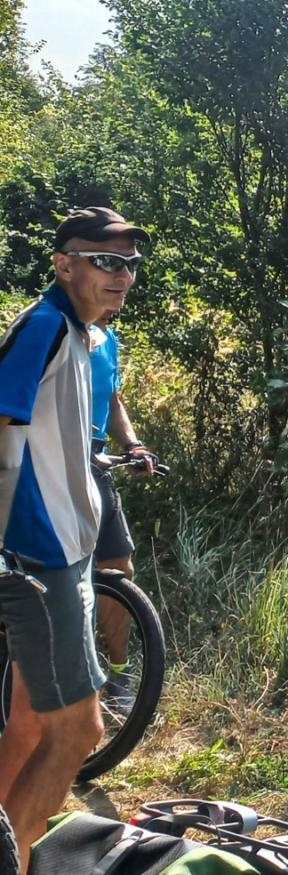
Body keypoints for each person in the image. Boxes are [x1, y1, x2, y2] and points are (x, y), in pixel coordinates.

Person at [0, 207, 148, 873]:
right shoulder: (44, 327)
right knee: (79, 728)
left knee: (32, 721)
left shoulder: (88, 333)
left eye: (130, 264)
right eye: (104, 260)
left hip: (69, 549)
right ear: (64, 263)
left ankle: (9, 832)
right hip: (39, 555)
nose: (121, 275)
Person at [88, 311, 156, 713]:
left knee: (117, 570)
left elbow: (112, 400)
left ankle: (118, 673)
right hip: (52, 469)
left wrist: (132, 445)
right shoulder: (52, 332)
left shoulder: (107, 338)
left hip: (95, 467)